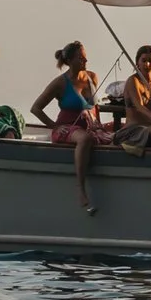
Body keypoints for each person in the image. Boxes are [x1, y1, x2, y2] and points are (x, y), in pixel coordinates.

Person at [30, 41, 107, 212]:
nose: (85, 62)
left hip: (90, 124)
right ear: (70, 60)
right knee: (84, 139)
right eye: (81, 59)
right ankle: (80, 188)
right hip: (67, 127)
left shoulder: (91, 77)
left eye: (85, 58)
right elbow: (35, 108)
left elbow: (95, 107)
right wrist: (54, 126)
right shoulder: (60, 83)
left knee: (117, 136)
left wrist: (99, 125)